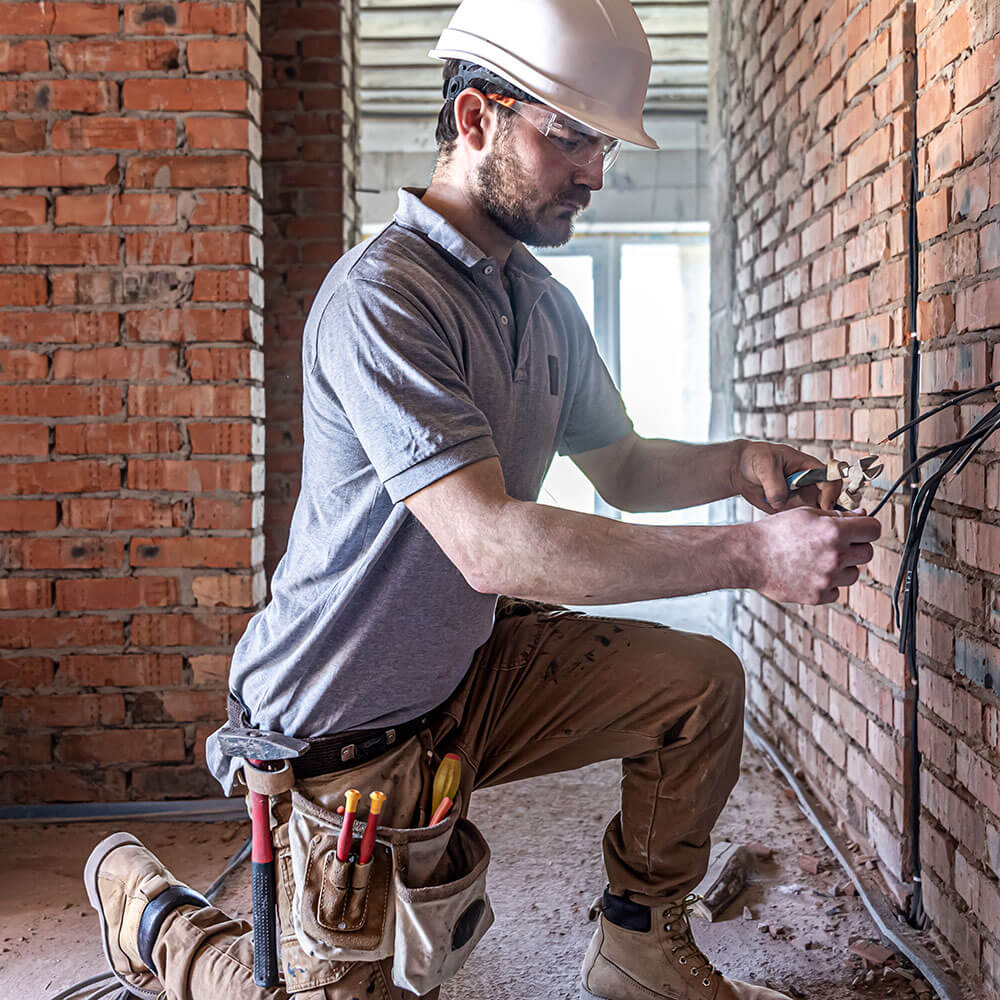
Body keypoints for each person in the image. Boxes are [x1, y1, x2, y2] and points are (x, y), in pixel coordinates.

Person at [83, 1, 882, 998]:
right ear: (475, 119)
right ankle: (158, 916)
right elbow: (488, 546)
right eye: (572, 138)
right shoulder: (383, 300)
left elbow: (624, 465)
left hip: (462, 681)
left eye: (604, 146)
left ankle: (637, 948)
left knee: (697, 684)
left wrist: (740, 462)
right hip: (336, 726)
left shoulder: (539, 302)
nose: (595, 172)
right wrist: (751, 557)